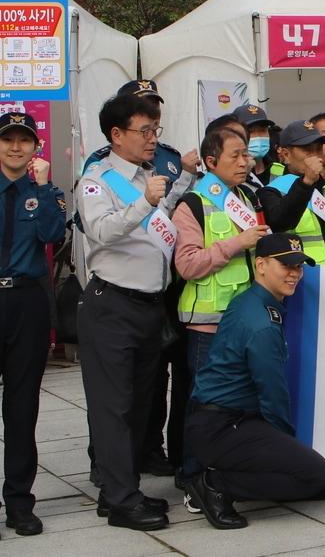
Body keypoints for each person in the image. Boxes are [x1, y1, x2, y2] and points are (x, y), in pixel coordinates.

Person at [76, 93, 179, 529]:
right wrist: (146, 204)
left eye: (156, 129)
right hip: (112, 305)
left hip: (150, 306)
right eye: (145, 131)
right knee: (113, 407)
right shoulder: (97, 180)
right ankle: (121, 500)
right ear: (116, 135)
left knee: (139, 405)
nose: (153, 138)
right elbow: (100, 232)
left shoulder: (146, 177)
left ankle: (120, 490)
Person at [184, 233, 325, 528]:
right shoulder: (262, 323)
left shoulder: (250, 302)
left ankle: (217, 476)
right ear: (261, 265)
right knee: (314, 474)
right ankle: (213, 484)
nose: (294, 274)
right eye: (286, 266)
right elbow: (272, 391)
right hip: (223, 426)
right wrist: (284, 446)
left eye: (299, 267)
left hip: (219, 421)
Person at [171, 125, 269, 487]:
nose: (245, 162)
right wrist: (237, 243)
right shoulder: (193, 203)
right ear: (210, 162)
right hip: (208, 326)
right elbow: (188, 264)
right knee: (205, 408)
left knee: (240, 404)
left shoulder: (247, 196)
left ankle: (226, 475)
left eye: (247, 155)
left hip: (246, 321)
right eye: (236, 156)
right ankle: (193, 477)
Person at [0, 113, 64, 536]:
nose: (16, 148)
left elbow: (52, 233)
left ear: (35, 148)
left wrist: (40, 188)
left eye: (25, 141)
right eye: (8, 141)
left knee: (22, 407)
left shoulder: (45, 192)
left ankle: (20, 502)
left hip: (26, 300)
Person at [260, 119, 325, 267]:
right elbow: (280, 222)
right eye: (307, 150)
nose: (315, 155)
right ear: (285, 155)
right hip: (300, 276)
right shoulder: (271, 191)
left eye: (318, 149)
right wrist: (306, 183)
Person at [231, 104, 278, 186]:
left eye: (263, 130)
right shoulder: (228, 175)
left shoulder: (281, 170)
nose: (258, 137)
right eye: (250, 131)